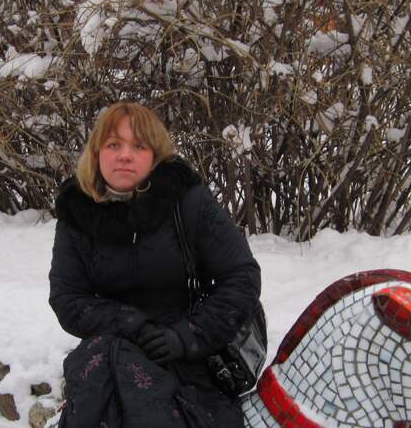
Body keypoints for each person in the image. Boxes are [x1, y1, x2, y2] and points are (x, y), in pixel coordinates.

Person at [49, 102, 261, 428]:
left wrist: (186, 336)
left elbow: (241, 277)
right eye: (113, 145)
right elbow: (68, 298)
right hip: (107, 350)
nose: (125, 156)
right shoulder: (77, 212)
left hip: (187, 354)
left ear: (155, 155)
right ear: (97, 152)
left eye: (138, 146)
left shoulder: (188, 201)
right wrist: (131, 324)